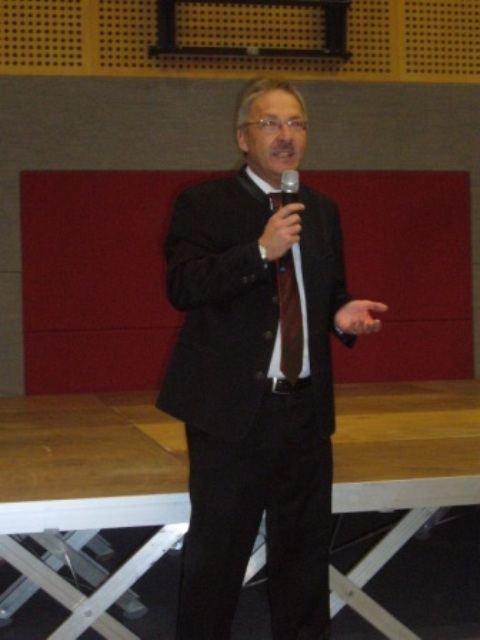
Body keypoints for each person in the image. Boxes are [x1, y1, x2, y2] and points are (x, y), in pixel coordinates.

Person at [157, 78, 388, 640]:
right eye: (270, 123)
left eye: (296, 123)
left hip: (305, 412)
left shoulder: (322, 210)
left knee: (305, 561)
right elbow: (184, 287)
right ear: (243, 138)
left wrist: (342, 314)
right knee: (217, 561)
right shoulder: (203, 203)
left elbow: (325, 293)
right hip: (232, 413)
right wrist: (261, 250)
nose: (285, 135)